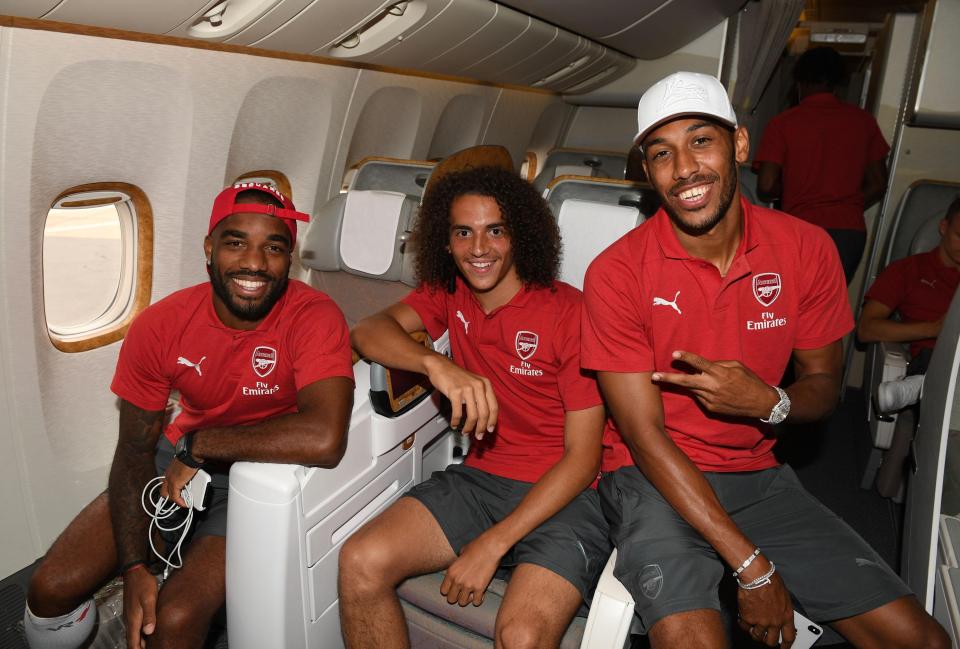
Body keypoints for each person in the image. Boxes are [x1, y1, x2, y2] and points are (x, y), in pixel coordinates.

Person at [581, 71, 948, 648]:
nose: (683, 169)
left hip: (755, 476)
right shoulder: (617, 273)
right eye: (661, 153)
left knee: (923, 640)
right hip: (651, 477)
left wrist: (770, 402)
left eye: (701, 141)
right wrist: (754, 568)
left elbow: (824, 384)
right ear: (646, 171)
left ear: (741, 146)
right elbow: (643, 436)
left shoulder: (805, 248)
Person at [24, 182, 355, 649]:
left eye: (274, 248)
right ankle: (130, 597)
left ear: (290, 259)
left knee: (175, 618)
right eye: (236, 242)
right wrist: (134, 566)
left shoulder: (314, 316)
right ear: (209, 248)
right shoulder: (161, 326)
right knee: (49, 589)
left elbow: (324, 437)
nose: (255, 264)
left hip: (262, 476)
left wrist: (201, 446)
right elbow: (135, 451)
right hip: (173, 460)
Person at [339, 166, 611, 649]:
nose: (478, 248)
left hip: (566, 494)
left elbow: (584, 458)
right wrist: (435, 365)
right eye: (463, 232)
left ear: (520, 236)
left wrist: (493, 543)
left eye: (495, 231)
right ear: (446, 242)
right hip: (482, 480)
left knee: (522, 636)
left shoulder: (571, 314)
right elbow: (368, 330)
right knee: (360, 561)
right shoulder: (449, 294)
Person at [754, 46, 890, 284]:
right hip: (849, 232)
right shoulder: (863, 121)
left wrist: (792, 193)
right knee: (828, 310)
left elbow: (765, 185)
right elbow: (879, 183)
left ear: (799, 83)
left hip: (800, 228)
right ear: (836, 83)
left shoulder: (783, 123)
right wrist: (850, 204)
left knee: (792, 306)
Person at [859, 196, 960, 412]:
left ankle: (921, 386)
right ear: (944, 227)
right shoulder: (908, 271)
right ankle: (924, 383)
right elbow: (866, 329)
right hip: (935, 357)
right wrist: (934, 329)